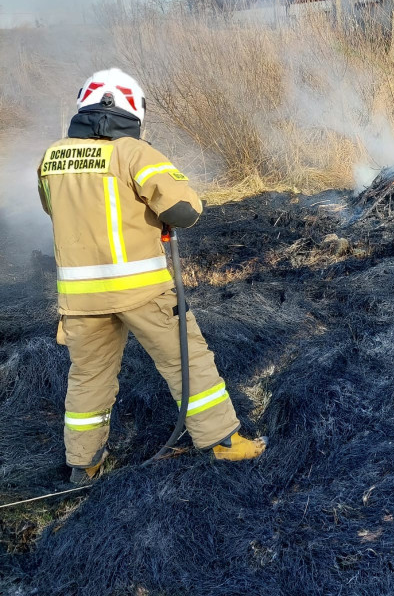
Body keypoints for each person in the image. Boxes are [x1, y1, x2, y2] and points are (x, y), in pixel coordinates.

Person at [37, 68, 267, 485]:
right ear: (129, 109)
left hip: (80, 300)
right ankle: (222, 442)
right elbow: (185, 210)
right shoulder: (133, 152)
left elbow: (56, 210)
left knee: (88, 380)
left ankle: (84, 465)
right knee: (189, 362)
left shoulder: (53, 157)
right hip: (141, 290)